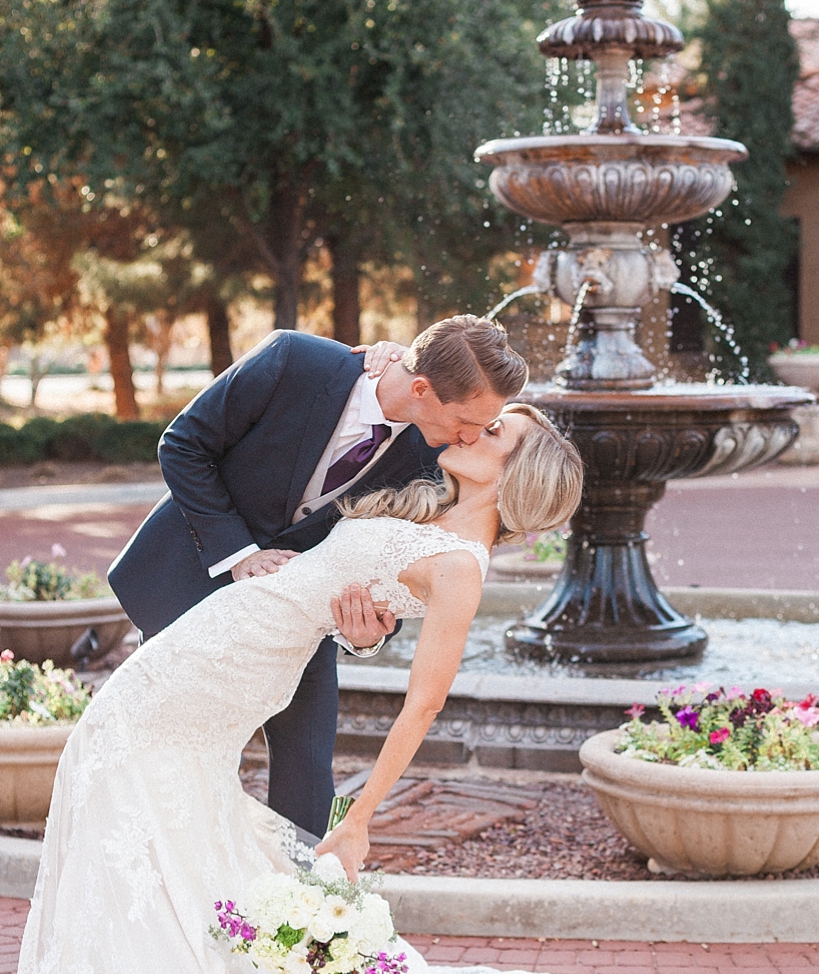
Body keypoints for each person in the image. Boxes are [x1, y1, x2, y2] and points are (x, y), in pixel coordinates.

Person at [17, 405, 692, 974]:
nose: (473, 432)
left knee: (125, 777)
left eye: (495, 433)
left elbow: (424, 706)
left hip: (222, 670)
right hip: (223, 645)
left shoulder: (461, 566)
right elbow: (348, 598)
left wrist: (358, 816)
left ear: (520, 475)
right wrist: (353, 623)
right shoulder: (428, 504)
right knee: (147, 797)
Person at [108, 315, 528, 838]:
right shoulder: (294, 360)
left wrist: (371, 635)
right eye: (469, 420)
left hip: (306, 623)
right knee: (172, 747)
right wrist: (239, 553)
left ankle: (301, 906)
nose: (472, 436)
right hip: (193, 581)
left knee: (307, 773)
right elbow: (184, 445)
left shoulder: (437, 457)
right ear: (421, 388)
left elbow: (397, 562)